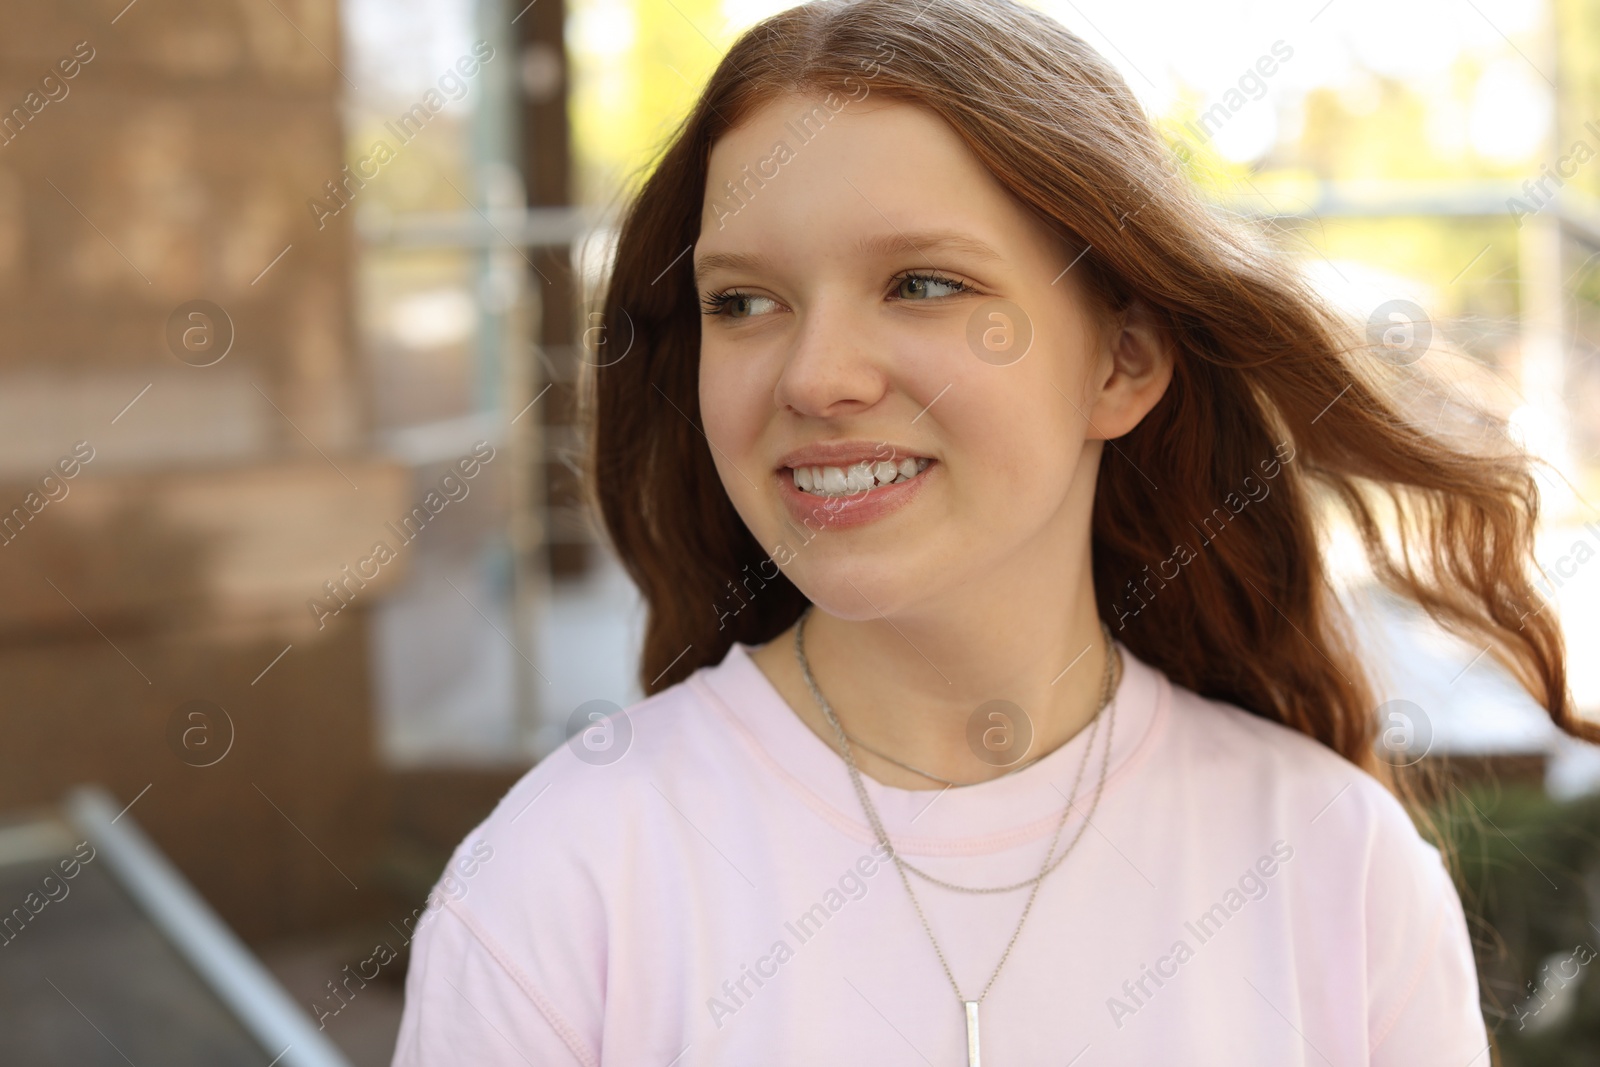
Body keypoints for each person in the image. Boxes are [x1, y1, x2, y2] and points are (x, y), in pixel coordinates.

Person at [391, 0, 1594, 1062]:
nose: (815, 376)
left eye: (922, 282)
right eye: (743, 302)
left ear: (1121, 360)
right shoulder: (555, 889)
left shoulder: (1334, 867)